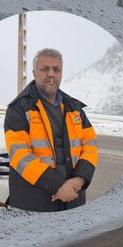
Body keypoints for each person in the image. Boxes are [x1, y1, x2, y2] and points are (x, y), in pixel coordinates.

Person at [4, 48, 98, 212]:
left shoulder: (74, 108)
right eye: (45, 69)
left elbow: (90, 146)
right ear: (34, 73)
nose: (51, 74)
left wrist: (79, 180)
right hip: (34, 202)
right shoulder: (19, 108)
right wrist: (59, 186)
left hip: (73, 198)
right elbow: (20, 156)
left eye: (56, 69)